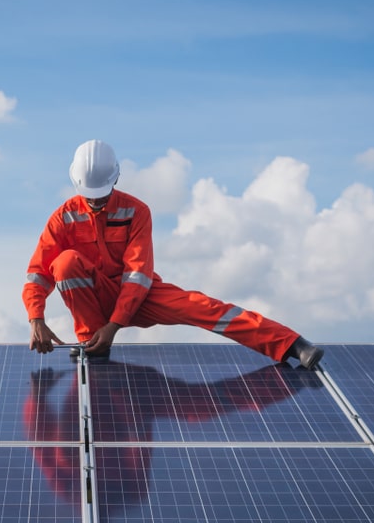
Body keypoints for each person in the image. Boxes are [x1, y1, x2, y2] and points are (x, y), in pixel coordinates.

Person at [23, 139, 324, 369]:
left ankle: (291, 344)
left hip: (138, 295)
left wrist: (115, 324)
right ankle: (92, 344)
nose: (97, 202)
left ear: (116, 179)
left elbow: (137, 275)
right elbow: (39, 271)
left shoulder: (136, 211)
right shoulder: (63, 217)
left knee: (205, 308)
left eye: (101, 194)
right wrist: (36, 318)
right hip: (95, 296)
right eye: (90, 195)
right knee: (64, 263)